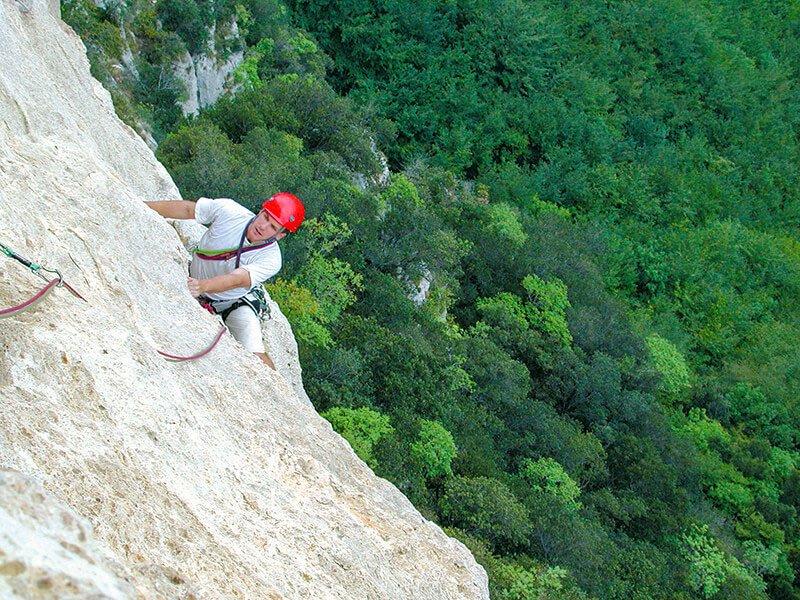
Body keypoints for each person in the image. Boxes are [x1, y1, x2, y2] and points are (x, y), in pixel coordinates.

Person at [145, 193, 305, 369]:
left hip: (232, 301)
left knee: (256, 355)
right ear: (261, 210)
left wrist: (202, 286)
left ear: (280, 235)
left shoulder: (271, 259)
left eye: (273, 226)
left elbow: (237, 279)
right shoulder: (230, 211)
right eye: (265, 216)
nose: (262, 225)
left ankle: (279, 394)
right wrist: (142, 206)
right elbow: (188, 209)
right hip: (202, 281)